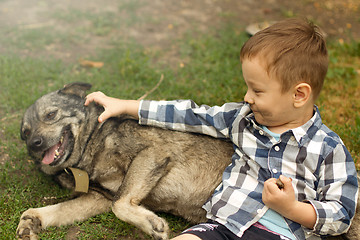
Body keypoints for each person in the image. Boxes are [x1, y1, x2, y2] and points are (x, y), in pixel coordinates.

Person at [84, 18, 358, 240]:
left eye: (257, 90)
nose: (247, 97)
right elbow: (187, 114)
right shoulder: (241, 118)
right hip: (223, 226)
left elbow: (341, 215)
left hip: (281, 234)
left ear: (299, 95)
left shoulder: (329, 149)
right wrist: (126, 105)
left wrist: (293, 208)